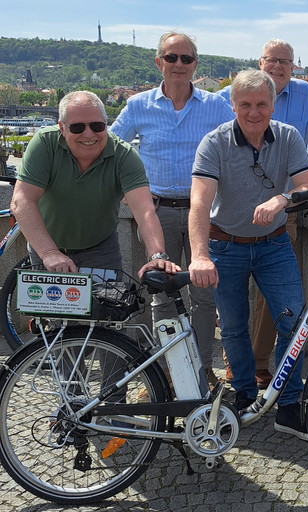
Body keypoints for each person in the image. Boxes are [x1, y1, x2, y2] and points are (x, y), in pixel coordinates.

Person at [188, 69, 308, 440]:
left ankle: (289, 403)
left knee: (293, 321)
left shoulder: (288, 137)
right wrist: (199, 255)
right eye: (245, 104)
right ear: (233, 105)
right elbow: (200, 202)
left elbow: (307, 185)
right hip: (224, 245)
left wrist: (281, 198)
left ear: (273, 105)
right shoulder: (214, 143)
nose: (254, 112)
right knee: (232, 326)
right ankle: (243, 393)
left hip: (274, 244)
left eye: (262, 103)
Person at [218, 39, 308, 387]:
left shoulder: (306, 96)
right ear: (260, 62)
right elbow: (210, 149)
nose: (278, 66)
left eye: (285, 62)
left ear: (294, 67)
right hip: (230, 206)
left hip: (284, 206)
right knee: (229, 298)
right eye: (272, 60)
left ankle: (260, 365)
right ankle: (240, 364)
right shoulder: (229, 96)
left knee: (268, 295)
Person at [111, 31, 235, 388]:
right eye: (171, 58)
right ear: (159, 62)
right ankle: (168, 370)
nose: (179, 65)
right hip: (158, 212)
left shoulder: (215, 105)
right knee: (161, 295)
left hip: (203, 214)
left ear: (196, 64)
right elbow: (111, 148)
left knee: (203, 294)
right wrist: (126, 194)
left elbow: (240, 143)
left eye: (186, 59)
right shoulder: (138, 105)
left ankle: (200, 368)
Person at [11, 91, 177, 277]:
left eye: (98, 126)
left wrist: (157, 255)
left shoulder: (123, 154)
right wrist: (49, 253)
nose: (88, 134)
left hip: (100, 249)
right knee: (48, 307)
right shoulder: (44, 143)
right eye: (77, 127)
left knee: (109, 306)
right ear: (62, 128)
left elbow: (144, 209)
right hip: (46, 245)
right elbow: (22, 201)